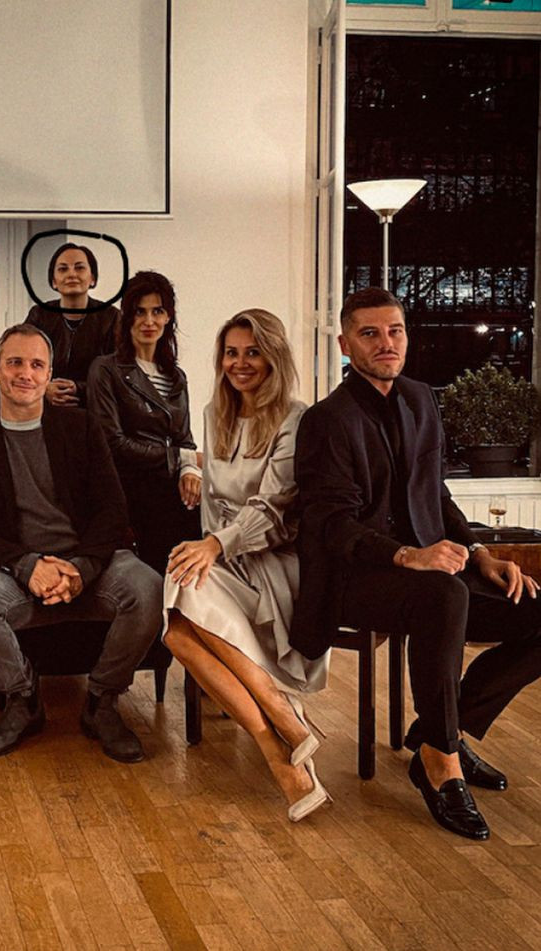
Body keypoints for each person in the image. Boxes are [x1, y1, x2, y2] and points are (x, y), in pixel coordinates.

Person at [294, 286, 541, 841]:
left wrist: (480, 554)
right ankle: (442, 764)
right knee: (443, 594)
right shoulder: (325, 420)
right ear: (344, 344)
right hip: (357, 578)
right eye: (370, 333)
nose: (386, 343)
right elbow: (331, 525)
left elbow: (437, 495)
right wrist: (408, 556)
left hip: (434, 571)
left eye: (395, 331)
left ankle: (439, 734)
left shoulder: (422, 398)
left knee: (534, 607)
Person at [0, 323, 163, 763]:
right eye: (14, 362)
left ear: (49, 375)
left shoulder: (81, 427)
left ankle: (102, 700)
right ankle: (23, 699)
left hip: (91, 566)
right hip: (17, 573)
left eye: (36, 365)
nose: (25, 373)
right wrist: (28, 566)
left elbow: (113, 510)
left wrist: (82, 569)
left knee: (148, 588)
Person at [162, 309, 329, 822]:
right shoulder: (214, 413)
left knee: (179, 604)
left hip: (274, 562)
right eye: (231, 353)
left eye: (253, 352)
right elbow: (213, 496)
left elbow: (274, 510)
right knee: (174, 628)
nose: (240, 363)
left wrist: (214, 547)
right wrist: (192, 475)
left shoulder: (295, 418)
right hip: (225, 558)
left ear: (273, 357)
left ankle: (282, 723)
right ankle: (279, 740)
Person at [87, 271, 202, 574]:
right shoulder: (106, 369)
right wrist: (183, 459)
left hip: (171, 487)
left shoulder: (176, 376)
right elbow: (112, 443)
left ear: (168, 317)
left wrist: (190, 471)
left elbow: (185, 439)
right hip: (131, 489)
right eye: (140, 312)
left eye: (157, 311)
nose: (149, 321)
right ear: (127, 317)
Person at [24, 242, 119, 408]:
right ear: (54, 281)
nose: (71, 274)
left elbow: (120, 373)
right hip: (45, 411)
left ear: (92, 278)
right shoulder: (39, 315)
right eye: (63, 269)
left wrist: (79, 389)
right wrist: (44, 388)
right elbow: (23, 362)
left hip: (96, 410)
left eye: (79, 268)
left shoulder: (111, 317)